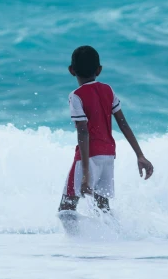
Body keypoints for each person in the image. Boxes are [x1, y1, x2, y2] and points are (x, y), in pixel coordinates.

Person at [59, 45, 154, 213]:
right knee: (103, 209)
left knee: (66, 208)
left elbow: (83, 131)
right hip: (108, 156)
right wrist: (140, 155)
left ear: (71, 70)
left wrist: (86, 173)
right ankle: (113, 238)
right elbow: (123, 123)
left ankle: (76, 239)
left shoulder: (76, 96)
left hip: (88, 158)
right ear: (99, 70)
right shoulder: (108, 90)